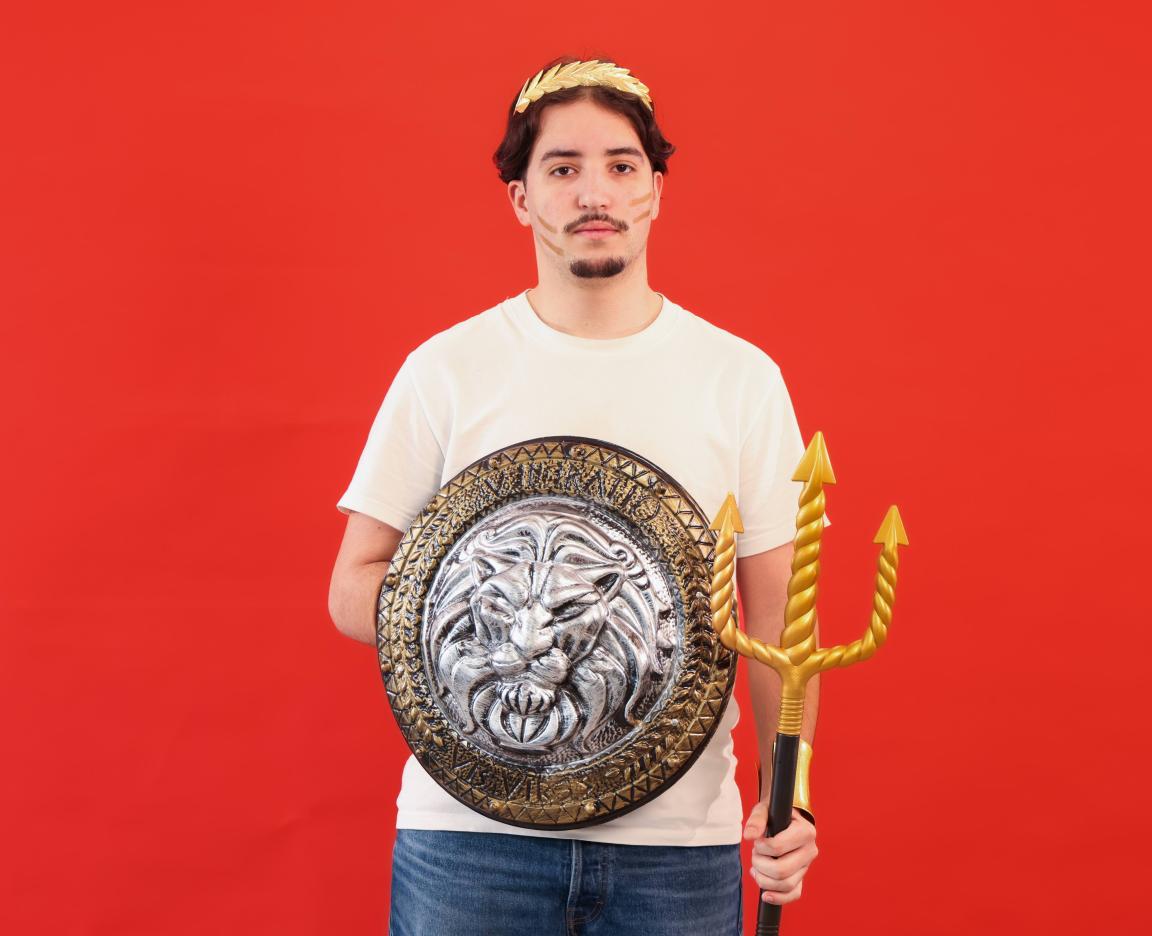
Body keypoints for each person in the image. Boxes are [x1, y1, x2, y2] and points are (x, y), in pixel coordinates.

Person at [328, 57, 819, 936]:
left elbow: (779, 623)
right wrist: (479, 604)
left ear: (655, 190)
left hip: (679, 847)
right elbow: (350, 587)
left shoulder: (740, 380)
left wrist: (792, 798)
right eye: (562, 168)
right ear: (522, 198)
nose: (595, 192)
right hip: (470, 842)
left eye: (622, 165)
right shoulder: (446, 371)